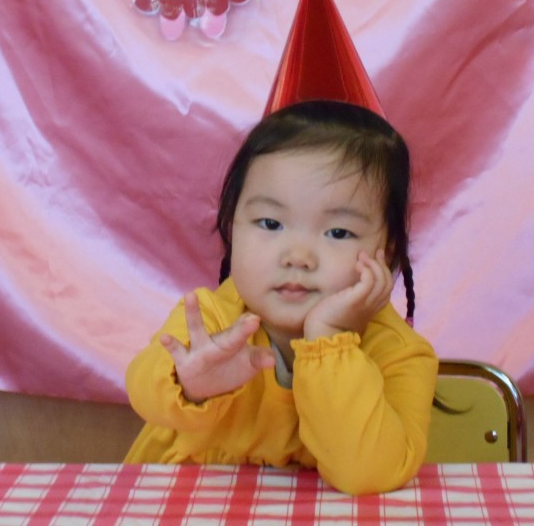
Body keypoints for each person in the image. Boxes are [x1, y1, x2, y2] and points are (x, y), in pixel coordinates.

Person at [124, 99, 439, 495]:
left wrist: (329, 339)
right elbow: (144, 389)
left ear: (386, 252)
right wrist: (190, 387)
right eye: (270, 223)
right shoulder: (212, 317)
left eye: (338, 233)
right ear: (231, 228)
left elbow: (368, 474)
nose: (297, 257)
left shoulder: (400, 354)